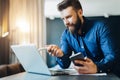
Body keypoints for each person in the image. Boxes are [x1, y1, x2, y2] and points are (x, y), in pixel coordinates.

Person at [47, 0, 120, 76]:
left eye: (68, 17)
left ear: (80, 12)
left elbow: (112, 57)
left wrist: (96, 67)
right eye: (63, 19)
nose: (66, 22)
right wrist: (60, 55)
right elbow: (64, 65)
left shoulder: (101, 28)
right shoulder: (66, 35)